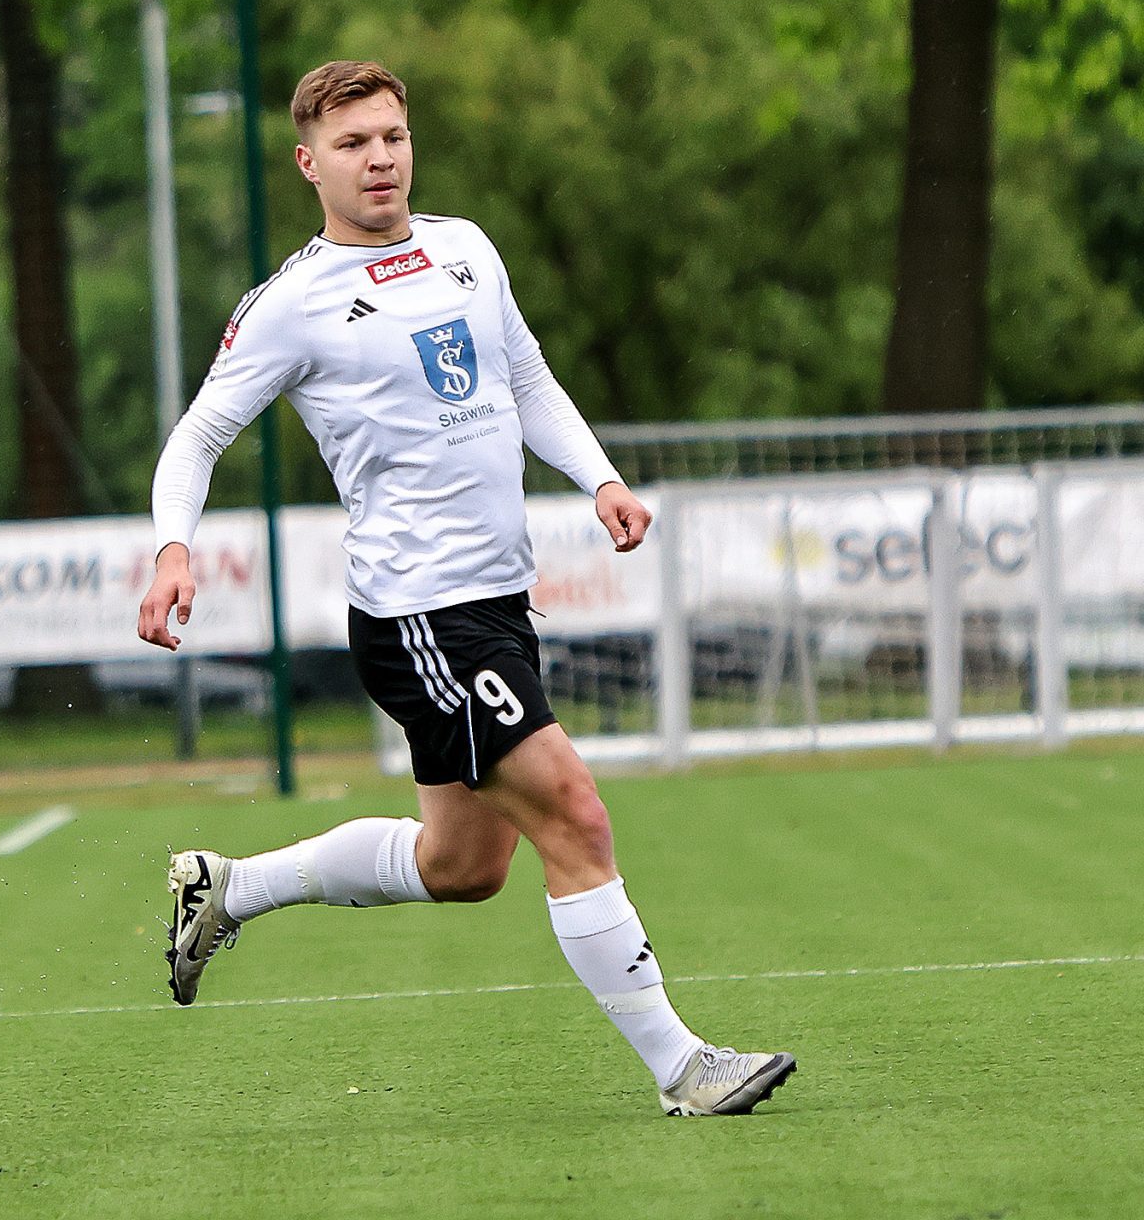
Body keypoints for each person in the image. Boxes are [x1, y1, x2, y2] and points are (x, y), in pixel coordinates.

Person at [135, 60, 794, 1118]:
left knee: (463, 865)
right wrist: (174, 548)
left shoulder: (466, 250)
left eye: (392, 136)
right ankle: (684, 1069)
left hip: (497, 603)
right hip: (420, 618)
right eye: (352, 144)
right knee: (575, 813)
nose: (379, 158)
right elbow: (199, 435)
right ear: (309, 165)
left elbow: (524, 376)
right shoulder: (293, 305)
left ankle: (231, 888)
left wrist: (601, 479)